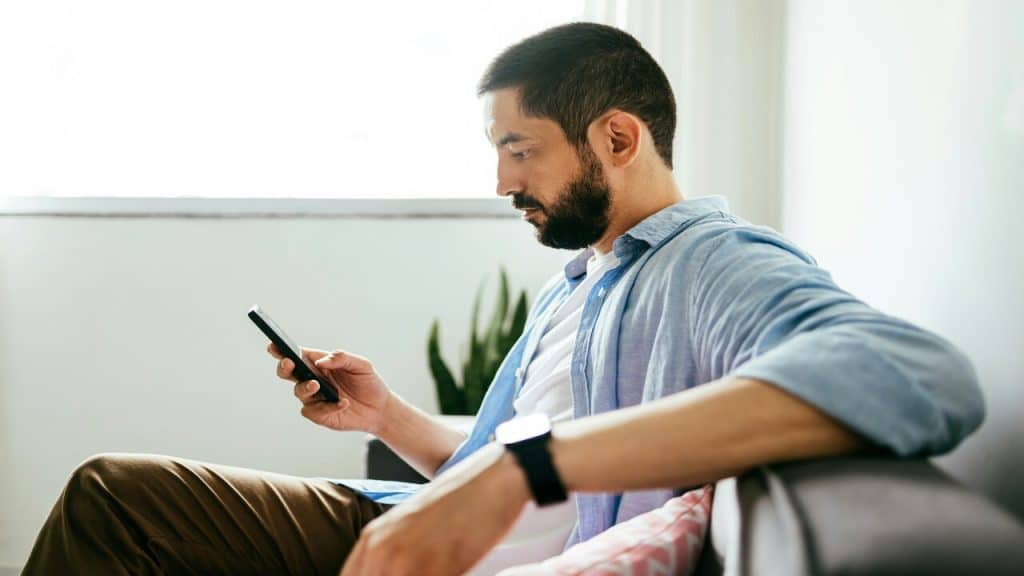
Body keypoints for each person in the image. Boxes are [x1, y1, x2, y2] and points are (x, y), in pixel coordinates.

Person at [23, 22, 984, 576]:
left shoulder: (712, 263)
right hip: (405, 508)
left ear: (616, 137)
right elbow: (495, 455)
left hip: (482, 555)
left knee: (118, 500)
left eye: (518, 149)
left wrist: (522, 474)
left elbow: (914, 374)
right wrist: (389, 415)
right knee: (120, 496)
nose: (498, 181)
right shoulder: (582, 280)